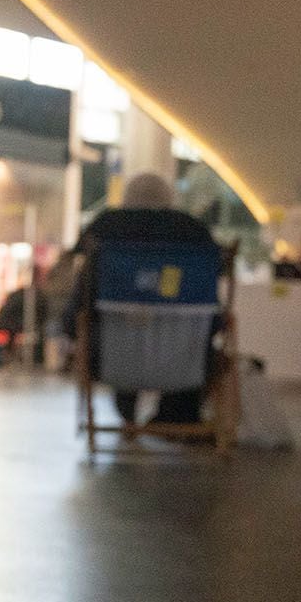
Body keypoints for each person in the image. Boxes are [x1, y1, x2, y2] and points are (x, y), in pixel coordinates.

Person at [63, 172, 219, 426]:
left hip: (110, 355)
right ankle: (174, 417)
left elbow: (80, 297)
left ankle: (129, 413)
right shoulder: (193, 230)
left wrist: (70, 325)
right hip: (187, 357)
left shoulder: (105, 227)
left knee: (111, 321)